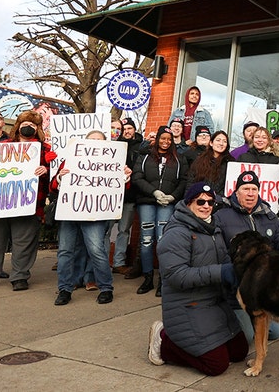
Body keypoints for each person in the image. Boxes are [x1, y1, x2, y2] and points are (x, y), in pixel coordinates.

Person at [147, 182, 247, 375]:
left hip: (215, 302)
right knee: (217, 366)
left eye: (211, 202)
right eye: (200, 201)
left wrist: (242, 271)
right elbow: (177, 276)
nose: (206, 206)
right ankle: (163, 341)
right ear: (189, 202)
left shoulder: (213, 228)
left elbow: (225, 260)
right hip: (188, 304)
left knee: (240, 352)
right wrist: (221, 272)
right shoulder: (176, 233)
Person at [0, 110, 56, 292]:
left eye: (33, 125)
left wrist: (48, 168)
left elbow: (57, 178)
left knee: (23, 242)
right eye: (25, 124)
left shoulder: (46, 149)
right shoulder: (2, 146)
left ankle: (19, 276)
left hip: (29, 205)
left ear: (38, 129)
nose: (29, 127)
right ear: (19, 126)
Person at [213, 170, 279, 344]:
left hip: (262, 290)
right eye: (245, 189)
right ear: (236, 191)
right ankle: (219, 317)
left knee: (276, 331)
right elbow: (217, 251)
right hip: (235, 291)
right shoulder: (221, 215)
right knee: (246, 338)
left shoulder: (267, 213)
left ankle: (251, 318)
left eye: (254, 189)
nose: (250, 193)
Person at [52, 130, 130, 305]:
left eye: (99, 140)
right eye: (92, 140)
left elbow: (121, 187)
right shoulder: (70, 158)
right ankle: (65, 288)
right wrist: (59, 178)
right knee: (65, 251)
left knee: (96, 250)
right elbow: (53, 185)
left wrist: (125, 177)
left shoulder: (113, 162)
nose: (95, 143)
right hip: (70, 212)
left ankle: (106, 288)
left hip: (95, 215)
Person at [131, 125, 188, 296]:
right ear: (157, 140)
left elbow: (184, 180)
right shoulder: (146, 155)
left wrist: (173, 196)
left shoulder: (179, 158)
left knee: (163, 240)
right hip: (147, 201)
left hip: (167, 203)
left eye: (169, 140)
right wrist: (153, 192)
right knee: (147, 240)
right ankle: (148, 277)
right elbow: (137, 176)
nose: (165, 142)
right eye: (163, 138)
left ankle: (164, 280)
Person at [112, 117, 144, 277]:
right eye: (124, 129)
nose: (127, 131)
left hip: (130, 196)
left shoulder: (140, 146)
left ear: (134, 130)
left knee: (124, 230)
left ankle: (118, 262)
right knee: (105, 229)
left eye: (130, 128)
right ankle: (101, 262)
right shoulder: (111, 145)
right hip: (110, 195)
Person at [188, 130, 232, 195]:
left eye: (224, 141)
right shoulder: (200, 160)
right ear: (211, 143)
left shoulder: (230, 163)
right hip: (199, 198)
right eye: (218, 140)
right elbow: (190, 181)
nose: (221, 143)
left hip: (220, 200)